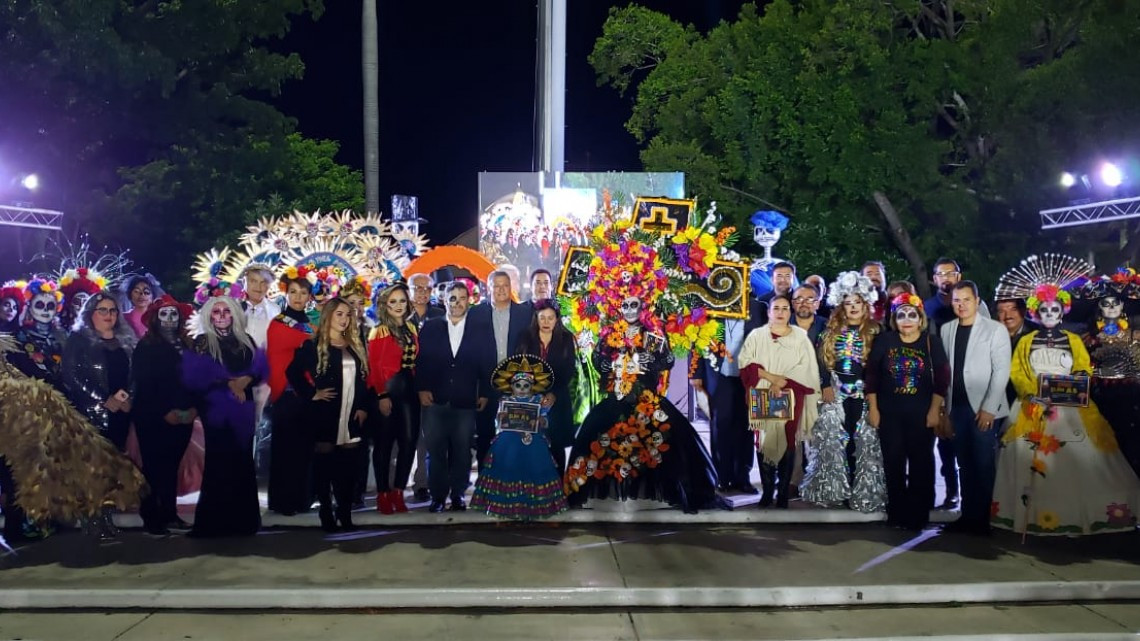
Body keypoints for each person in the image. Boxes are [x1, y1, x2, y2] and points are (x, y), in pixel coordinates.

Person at [992, 259, 1140, 535]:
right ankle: (1033, 515)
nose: (1049, 313)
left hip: (1069, 407)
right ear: (1037, 313)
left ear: (1062, 312)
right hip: (1034, 406)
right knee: (1028, 456)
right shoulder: (1026, 341)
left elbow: (1083, 367)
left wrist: (1074, 386)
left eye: (1054, 309)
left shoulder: (1073, 340)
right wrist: (1031, 393)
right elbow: (1018, 372)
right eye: (1045, 309)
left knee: (1082, 459)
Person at [564, 293, 721, 513]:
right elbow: (598, 360)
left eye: (634, 305)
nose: (629, 310)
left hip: (647, 397)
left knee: (667, 435)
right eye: (625, 305)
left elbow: (668, 361)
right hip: (617, 396)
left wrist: (652, 360)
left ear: (641, 308)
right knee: (597, 432)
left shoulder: (652, 333)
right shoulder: (611, 333)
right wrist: (610, 364)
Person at [182, 296, 267, 537]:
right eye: (216, 311)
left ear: (234, 315)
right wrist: (230, 384)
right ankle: (214, 523)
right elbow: (195, 378)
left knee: (242, 461)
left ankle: (244, 522)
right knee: (219, 461)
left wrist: (245, 381)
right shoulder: (201, 342)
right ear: (209, 316)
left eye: (226, 311)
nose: (221, 315)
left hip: (243, 409)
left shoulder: (245, 341)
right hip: (216, 410)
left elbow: (258, 370)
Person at [866, 293, 949, 531]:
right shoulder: (885, 340)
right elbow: (871, 376)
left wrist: (935, 410)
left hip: (922, 413)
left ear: (920, 318)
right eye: (901, 315)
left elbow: (942, 379)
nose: (907, 319)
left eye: (912, 314)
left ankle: (918, 515)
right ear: (895, 319)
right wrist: (873, 408)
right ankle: (897, 513)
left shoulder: (931, 341)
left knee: (921, 463)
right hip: (890, 414)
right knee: (893, 462)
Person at [803, 272, 886, 512]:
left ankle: (863, 492)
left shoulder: (876, 332)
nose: (852, 308)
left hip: (864, 394)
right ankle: (834, 490)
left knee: (863, 442)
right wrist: (826, 384)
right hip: (835, 394)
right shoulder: (830, 331)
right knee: (836, 441)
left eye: (857, 303)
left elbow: (880, 367)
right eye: (848, 304)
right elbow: (819, 360)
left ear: (865, 304)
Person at [287, 297, 370, 531]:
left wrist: (363, 407)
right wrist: (311, 393)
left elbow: (363, 379)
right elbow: (292, 371)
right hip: (325, 414)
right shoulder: (314, 346)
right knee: (325, 466)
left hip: (352, 415)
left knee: (349, 468)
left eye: (347, 315)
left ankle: (344, 511)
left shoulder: (355, 344)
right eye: (339, 314)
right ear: (329, 317)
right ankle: (325, 510)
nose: (344, 319)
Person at [940, 281, 1011, 536]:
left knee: (983, 463)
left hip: (983, 408)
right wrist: (944, 412)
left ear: (977, 300)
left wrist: (989, 408)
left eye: (966, 299)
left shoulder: (995, 330)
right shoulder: (947, 329)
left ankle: (986, 519)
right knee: (964, 464)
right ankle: (968, 516)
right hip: (956, 407)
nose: (961, 304)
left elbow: (1002, 370)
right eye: (957, 300)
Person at [738, 294, 822, 508]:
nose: (781, 312)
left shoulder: (800, 337)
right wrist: (771, 378)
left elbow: (807, 367)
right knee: (764, 439)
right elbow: (746, 363)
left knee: (788, 439)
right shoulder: (756, 336)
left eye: (785, 308)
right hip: (763, 392)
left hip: (792, 395)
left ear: (790, 312)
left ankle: (782, 492)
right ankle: (767, 491)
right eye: (776, 308)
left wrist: (782, 384)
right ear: (769, 312)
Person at [416, 282, 493, 513]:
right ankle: (438, 496)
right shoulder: (430, 327)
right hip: (435, 400)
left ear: (469, 300)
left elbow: (487, 363)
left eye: (461, 298)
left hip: (466, 401)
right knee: (435, 451)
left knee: (462, 451)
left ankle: (458, 494)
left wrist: (485, 393)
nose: (457, 303)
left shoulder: (480, 328)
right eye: (452, 298)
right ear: (444, 301)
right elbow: (421, 362)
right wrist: (422, 388)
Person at [923, 257, 989, 510]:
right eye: (941, 274)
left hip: (972, 384)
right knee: (946, 442)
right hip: (941, 382)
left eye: (951, 273)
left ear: (959, 277)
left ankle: (978, 503)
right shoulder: (929, 308)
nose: (946, 278)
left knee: (975, 448)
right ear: (934, 279)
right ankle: (952, 493)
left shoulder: (978, 306)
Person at [471, 354, 568, 520]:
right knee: (508, 468)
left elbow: (546, 421)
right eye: (518, 385)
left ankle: (534, 508)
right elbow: (498, 420)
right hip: (509, 442)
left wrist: (541, 420)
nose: (522, 388)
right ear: (511, 386)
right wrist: (501, 418)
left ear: (533, 385)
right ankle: (508, 508)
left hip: (534, 442)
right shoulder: (505, 400)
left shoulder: (538, 400)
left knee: (535, 470)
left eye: (526, 385)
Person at [131, 294, 196, 535]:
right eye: (164, 314)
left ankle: (170, 514)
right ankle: (151, 517)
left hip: (184, 415)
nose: (169, 319)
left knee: (171, 468)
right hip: (153, 416)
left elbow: (196, 379)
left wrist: (193, 408)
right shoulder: (146, 346)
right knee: (154, 467)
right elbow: (145, 384)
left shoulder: (188, 344)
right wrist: (164, 411)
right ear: (155, 319)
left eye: (174, 314)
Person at [469, 270, 533, 467]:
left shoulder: (525, 313)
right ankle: (485, 482)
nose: (500, 289)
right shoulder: (476, 313)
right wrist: (477, 389)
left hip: (518, 385)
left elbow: (532, 349)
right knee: (485, 436)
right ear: (488, 288)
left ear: (511, 287)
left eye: (505, 285)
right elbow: (471, 353)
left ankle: (515, 481)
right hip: (485, 384)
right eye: (496, 285)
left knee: (518, 435)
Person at [266, 271, 318, 515]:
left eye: (303, 292)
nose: (298, 297)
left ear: (309, 296)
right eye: (293, 292)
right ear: (286, 294)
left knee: (305, 448)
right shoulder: (279, 323)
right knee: (286, 450)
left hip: (307, 393)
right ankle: (283, 501)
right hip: (287, 393)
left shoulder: (309, 322)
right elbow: (288, 348)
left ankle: (302, 498)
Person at [366, 283, 419, 514]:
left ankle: (398, 491)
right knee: (384, 444)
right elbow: (374, 366)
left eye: (402, 301)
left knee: (409, 441)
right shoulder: (379, 330)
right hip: (387, 389)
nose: (398, 305)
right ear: (385, 305)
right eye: (393, 302)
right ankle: (383, 493)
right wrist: (381, 394)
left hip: (409, 389)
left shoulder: (412, 328)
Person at [61, 292, 137, 452]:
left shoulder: (127, 339)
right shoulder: (78, 339)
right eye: (102, 310)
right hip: (93, 414)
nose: (108, 315)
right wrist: (103, 398)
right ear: (90, 314)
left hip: (124, 411)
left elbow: (138, 372)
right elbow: (71, 375)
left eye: (113, 310)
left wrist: (130, 396)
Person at [515, 299, 578, 473]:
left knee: (557, 447)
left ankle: (556, 490)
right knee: (530, 445)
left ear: (557, 319)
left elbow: (568, 369)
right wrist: (534, 392)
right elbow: (518, 366)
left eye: (551, 318)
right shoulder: (525, 337)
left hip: (557, 399)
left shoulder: (566, 338)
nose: (546, 322)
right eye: (542, 318)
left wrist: (553, 394)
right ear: (536, 318)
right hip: (529, 398)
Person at [406, 272, 444, 503]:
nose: (422, 293)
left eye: (426, 289)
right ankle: (393, 486)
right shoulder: (398, 314)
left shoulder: (440, 315)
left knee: (427, 439)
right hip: (404, 386)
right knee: (403, 439)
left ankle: (422, 484)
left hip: (432, 386)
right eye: (417, 288)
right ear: (409, 290)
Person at [120, 273, 164, 338]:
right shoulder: (123, 318)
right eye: (136, 291)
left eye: (146, 292)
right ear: (130, 295)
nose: (142, 295)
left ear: (153, 296)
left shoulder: (160, 317)